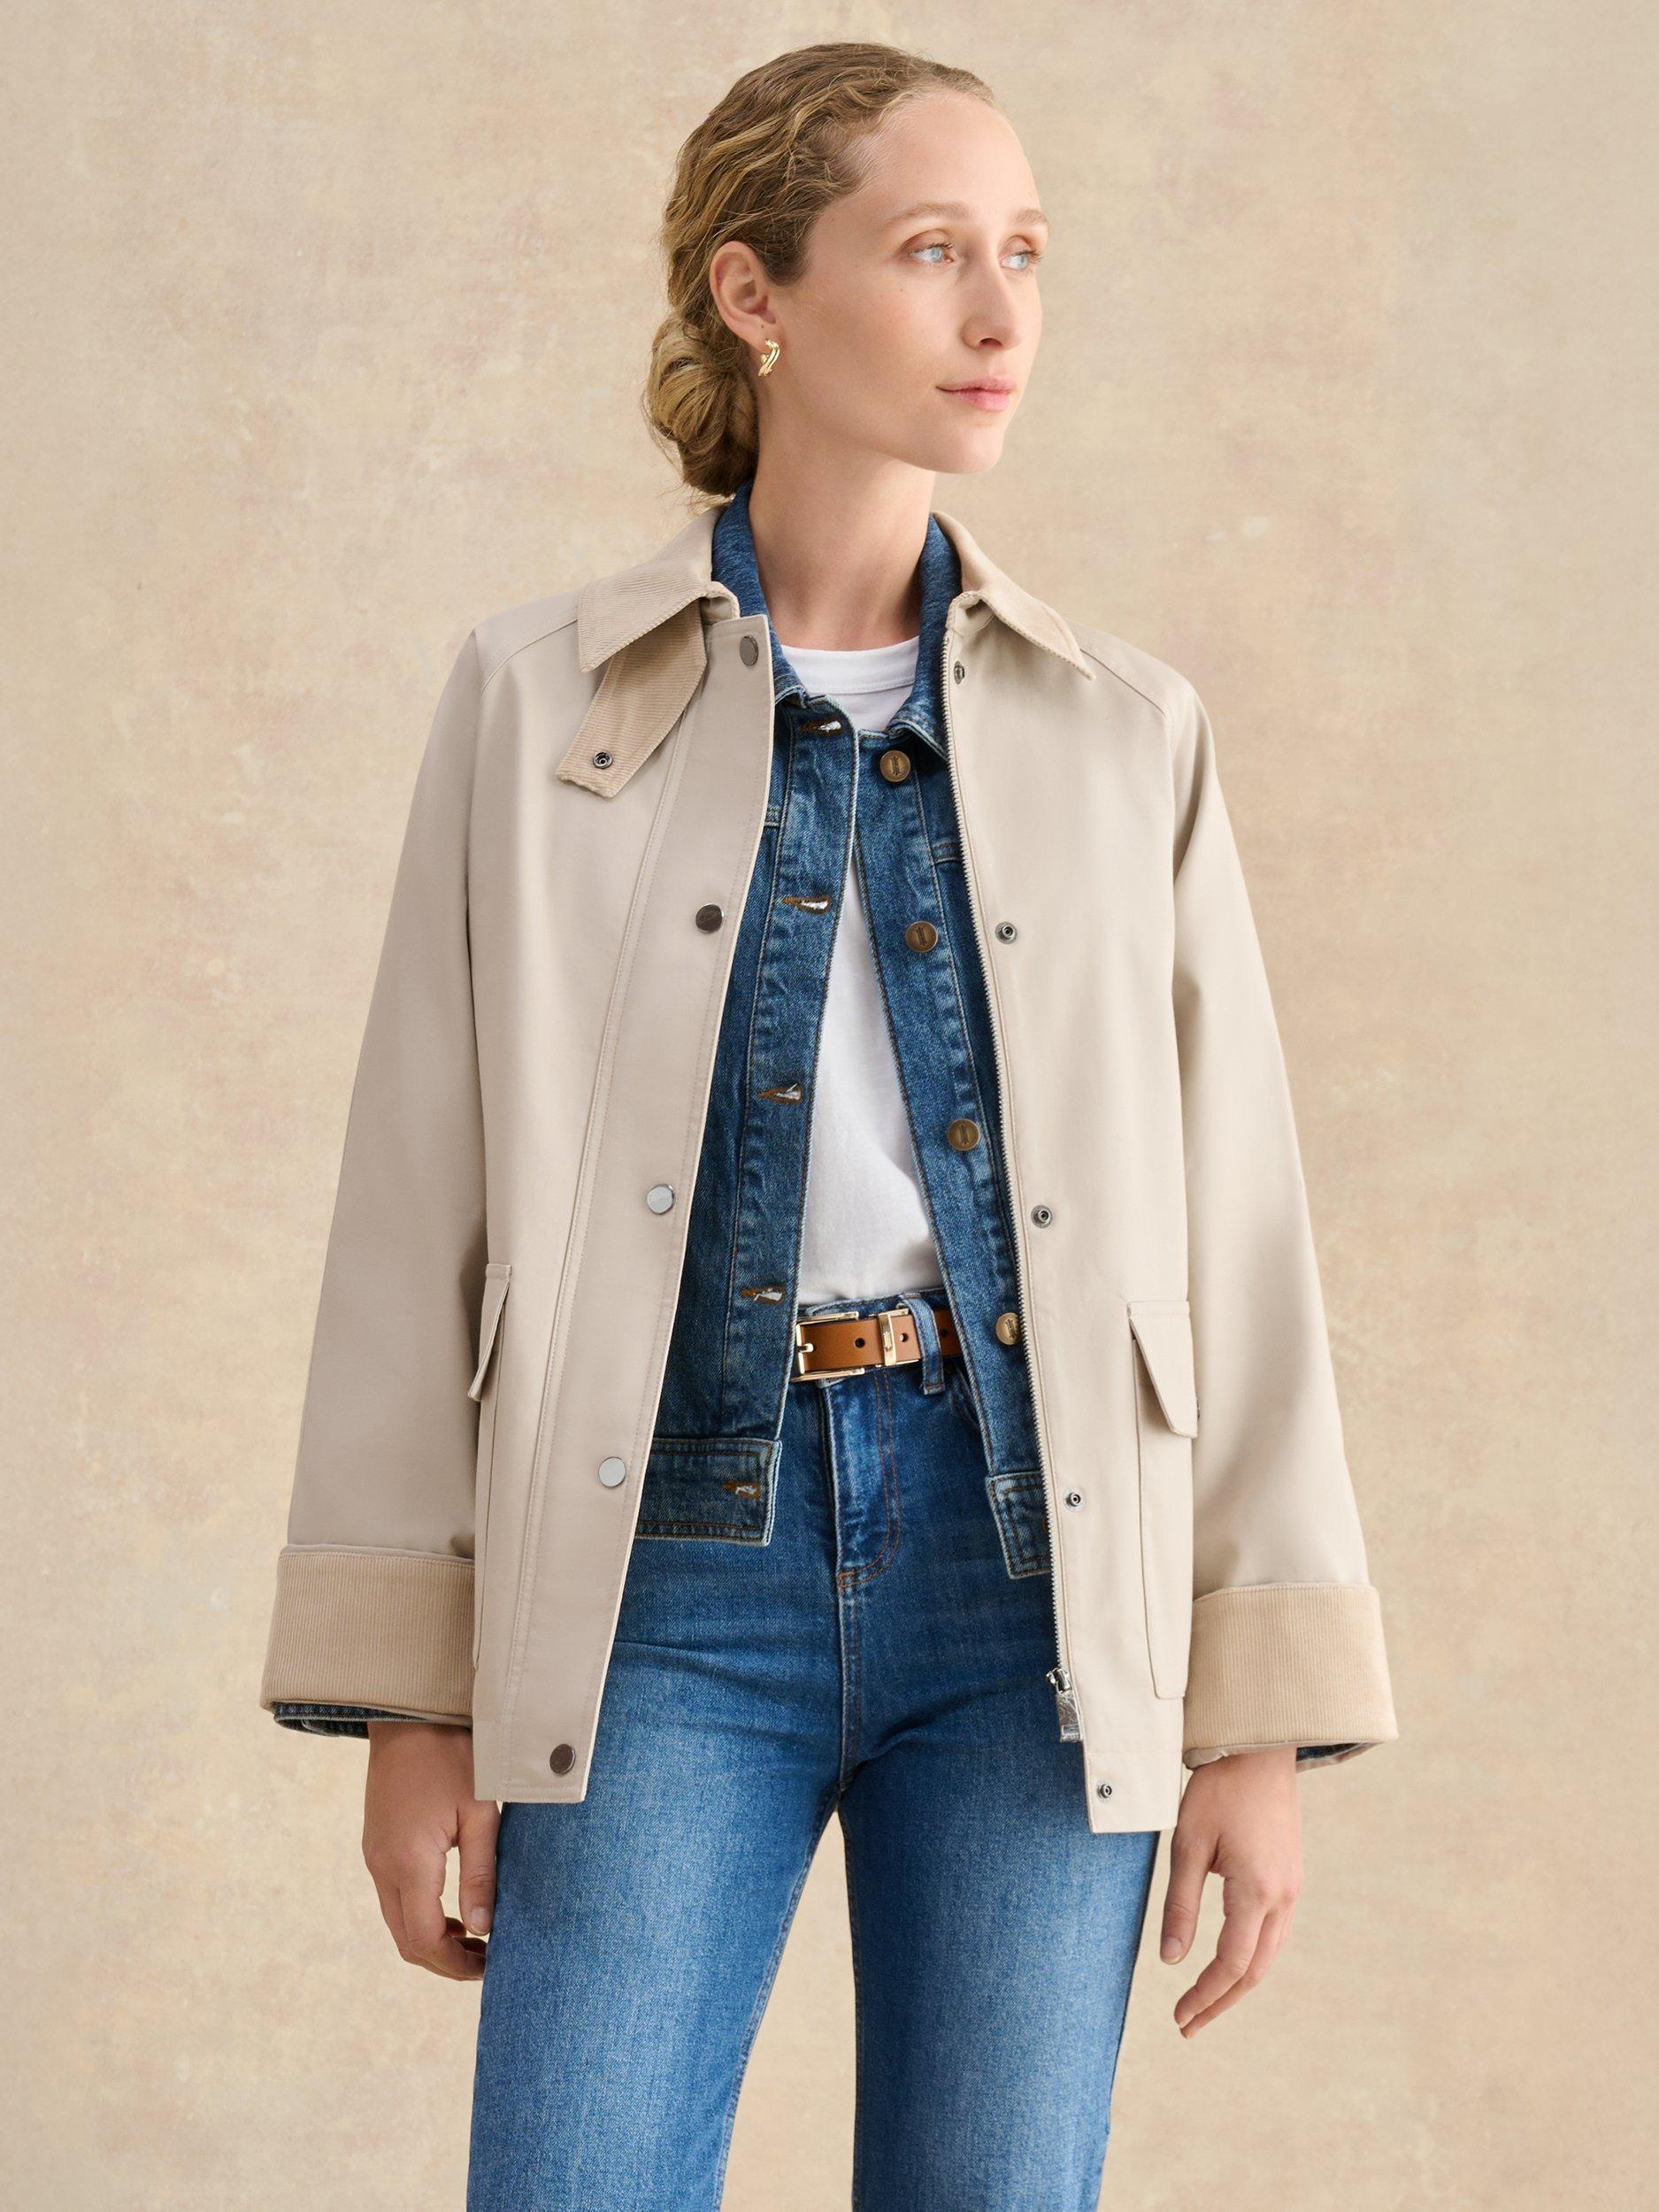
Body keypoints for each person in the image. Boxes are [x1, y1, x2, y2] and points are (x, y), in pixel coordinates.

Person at [258, 40, 1398, 2209]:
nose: (997, 311)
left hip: (1033, 1569)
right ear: (753, 292)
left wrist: (1252, 1708)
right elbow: (419, 1205)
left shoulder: (1124, 730)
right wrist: (410, 1692)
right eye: (932, 249)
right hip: (658, 1567)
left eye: (1025, 254)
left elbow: (1237, 1228)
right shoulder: (534, 702)